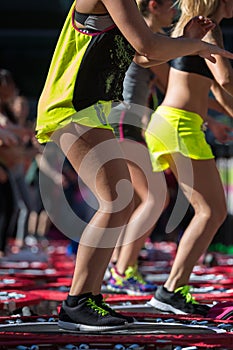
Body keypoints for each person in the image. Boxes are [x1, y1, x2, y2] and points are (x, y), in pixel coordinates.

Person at [35, 0, 233, 332]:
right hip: (70, 105)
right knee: (118, 200)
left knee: (121, 201)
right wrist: (196, 43)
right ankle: (78, 302)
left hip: (91, 109)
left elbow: (142, 57)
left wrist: (187, 37)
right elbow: (147, 46)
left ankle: (88, 298)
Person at [145, 0, 233, 316]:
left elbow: (217, 92)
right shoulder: (208, 29)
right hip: (178, 126)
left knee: (210, 211)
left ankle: (173, 288)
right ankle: (170, 290)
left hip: (174, 124)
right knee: (210, 212)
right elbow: (224, 79)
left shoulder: (192, 28)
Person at [106, 0, 176, 295]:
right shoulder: (147, 39)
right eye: (172, 5)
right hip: (125, 123)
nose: (175, 11)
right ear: (154, 6)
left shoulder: (140, 36)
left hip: (120, 121)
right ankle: (122, 270)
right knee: (156, 198)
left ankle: (116, 266)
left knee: (133, 203)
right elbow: (176, 86)